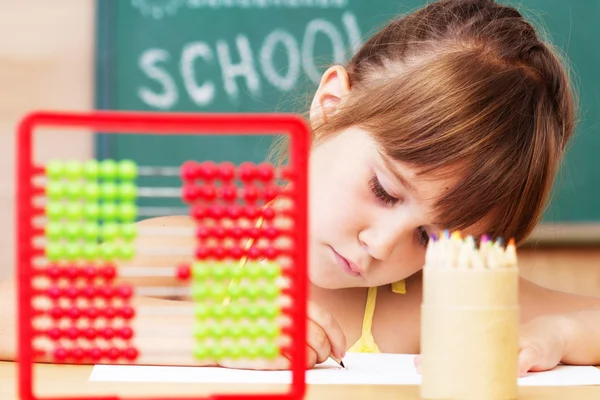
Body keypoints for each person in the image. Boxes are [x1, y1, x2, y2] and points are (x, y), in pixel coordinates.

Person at [1, 0, 600, 376]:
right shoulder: (201, 251)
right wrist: (215, 334)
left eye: (429, 235)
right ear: (330, 104)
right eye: (385, 190)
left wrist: (561, 333)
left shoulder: (433, 297)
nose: (382, 246)